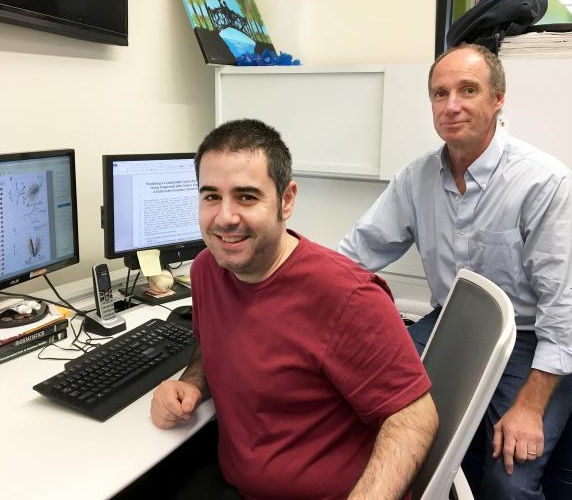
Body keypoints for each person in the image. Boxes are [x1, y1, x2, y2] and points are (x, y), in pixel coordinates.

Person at [338, 44, 572, 500]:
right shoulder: (415, 179)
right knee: (374, 429)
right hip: (451, 324)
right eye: (440, 94)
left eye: (467, 90)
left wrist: (530, 407)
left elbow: (567, 315)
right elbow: (356, 254)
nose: (451, 105)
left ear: (498, 98)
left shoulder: (544, 183)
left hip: (532, 344)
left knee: (508, 483)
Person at [150, 118, 438, 500]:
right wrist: (191, 383)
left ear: (286, 200)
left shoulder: (347, 295)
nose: (224, 217)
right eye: (211, 196)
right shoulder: (207, 269)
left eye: (247, 197)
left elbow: (415, 417)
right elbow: (211, 343)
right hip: (237, 483)